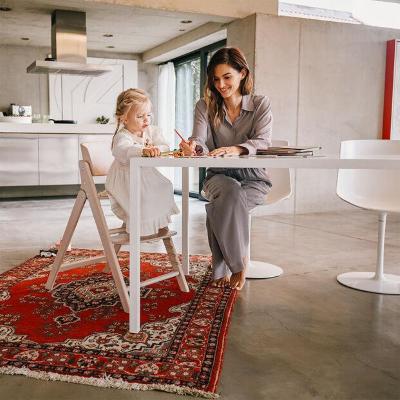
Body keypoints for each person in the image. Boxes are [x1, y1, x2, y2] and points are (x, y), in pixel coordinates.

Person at [180, 47, 273, 290]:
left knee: (223, 205)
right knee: (228, 192)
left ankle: (219, 268)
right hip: (218, 177)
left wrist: (237, 149)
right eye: (216, 79)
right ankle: (239, 265)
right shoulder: (204, 106)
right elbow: (199, 140)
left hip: (254, 180)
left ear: (243, 73)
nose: (221, 85)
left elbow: (263, 141)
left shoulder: (260, 104)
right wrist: (193, 148)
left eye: (227, 77)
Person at [106, 88, 179, 238]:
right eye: (140, 116)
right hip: (125, 177)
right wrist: (142, 150)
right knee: (144, 195)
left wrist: (157, 149)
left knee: (165, 186)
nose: (146, 120)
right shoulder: (123, 136)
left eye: (148, 115)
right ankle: (142, 227)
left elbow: (164, 146)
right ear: (124, 119)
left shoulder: (152, 131)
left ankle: (157, 224)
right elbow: (122, 150)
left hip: (145, 174)